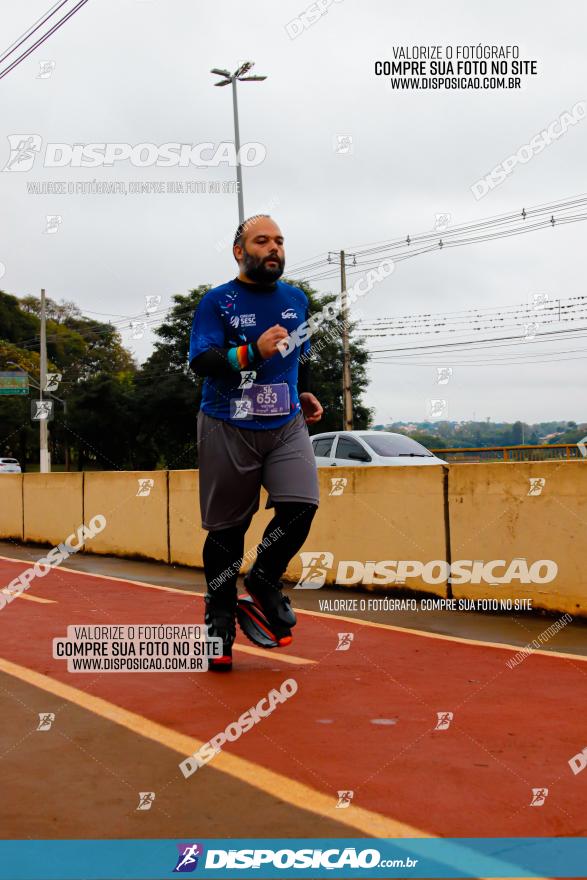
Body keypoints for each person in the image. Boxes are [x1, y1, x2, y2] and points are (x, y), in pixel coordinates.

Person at [189, 215, 323, 671]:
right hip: (228, 422)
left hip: (285, 422)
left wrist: (302, 390)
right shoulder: (216, 301)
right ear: (239, 251)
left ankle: (265, 577)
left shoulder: (296, 299)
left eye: (280, 241)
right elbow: (202, 361)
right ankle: (219, 618)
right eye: (262, 241)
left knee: (301, 506)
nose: (274, 249)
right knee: (227, 531)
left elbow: (299, 354)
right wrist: (251, 352)